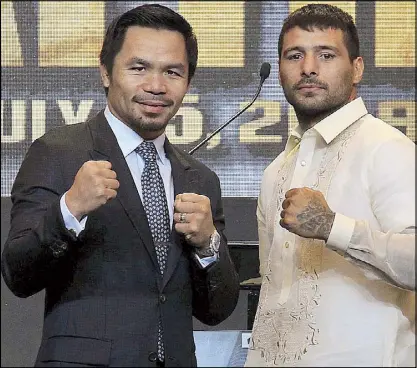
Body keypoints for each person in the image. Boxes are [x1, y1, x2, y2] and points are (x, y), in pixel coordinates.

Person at [1, 4, 240, 367]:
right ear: (105, 73)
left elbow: (216, 310)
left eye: (172, 72)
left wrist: (209, 244)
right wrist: (69, 209)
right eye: (139, 67)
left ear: (188, 82)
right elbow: (18, 275)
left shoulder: (200, 179)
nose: (156, 86)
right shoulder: (58, 152)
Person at [245, 4, 415, 367]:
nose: (308, 68)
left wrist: (332, 227)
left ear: (356, 68)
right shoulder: (275, 170)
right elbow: (271, 286)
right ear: (280, 70)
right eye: (295, 55)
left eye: (326, 54)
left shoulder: (387, 148)